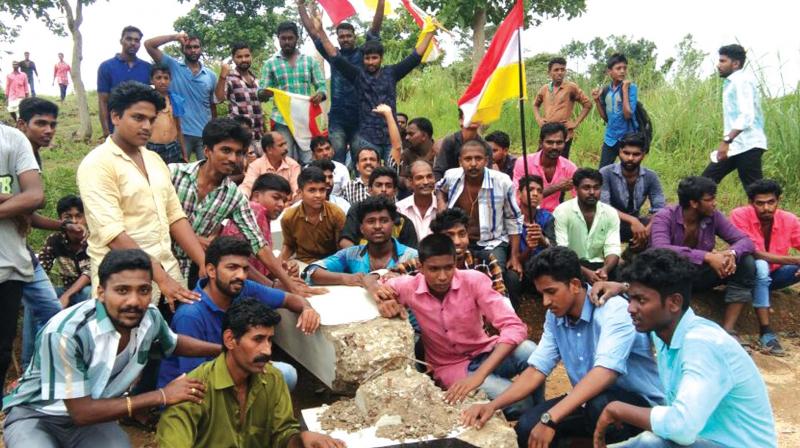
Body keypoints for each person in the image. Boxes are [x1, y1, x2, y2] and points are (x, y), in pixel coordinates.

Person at [2, 249, 222, 447]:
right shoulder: (67, 332)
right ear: (100, 292)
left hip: (93, 417)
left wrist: (222, 350)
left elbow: (172, 343)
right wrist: (162, 395)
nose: (134, 301)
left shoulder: (150, 318)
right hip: (37, 415)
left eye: (143, 290)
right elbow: (81, 412)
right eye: (122, 290)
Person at [463, 247, 664, 447]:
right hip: (587, 401)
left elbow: (605, 373)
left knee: (600, 405)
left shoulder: (613, 310)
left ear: (575, 285)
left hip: (639, 409)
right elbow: (537, 370)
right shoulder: (555, 316)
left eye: (551, 292)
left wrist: (550, 418)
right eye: (541, 293)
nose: (545, 302)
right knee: (526, 429)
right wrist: (492, 406)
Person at [590, 249, 777, 448]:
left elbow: (682, 428)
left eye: (640, 300)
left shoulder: (702, 344)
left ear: (674, 302)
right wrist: (622, 287)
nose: (630, 308)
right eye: (630, 298)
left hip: (730, 444)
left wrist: (617, 409)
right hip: (705, 440)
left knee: (651, 443)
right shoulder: (665, 332)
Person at [375, 234, 538, 419]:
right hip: (451, 367)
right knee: (520, 402)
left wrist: (480, 376)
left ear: (455, 263)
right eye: (434, 269)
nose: (442, 276)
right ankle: (529, 418)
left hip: (485, 352)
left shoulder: (474, 281)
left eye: (448, 268)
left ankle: (539, 417)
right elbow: (376, 282)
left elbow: (514, 326)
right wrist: (382, 298)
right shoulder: (409, 287)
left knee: (532, 352)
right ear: (420, 267)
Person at [77, 81, 206, 311]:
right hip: (124, 284)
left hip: (169, 274)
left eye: (151, 119)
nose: (147, 126)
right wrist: (160, 277)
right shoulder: (97, 164)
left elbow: (175, 216)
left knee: (171, 343)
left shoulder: (155, 160)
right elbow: (113, 233)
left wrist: (204, 262)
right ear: (115, 116)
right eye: (138, 118)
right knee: (127, 346)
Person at [156, 298, 344, 448]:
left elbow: (283, 434)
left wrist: (301, 440)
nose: (267, 351)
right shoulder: (192, 390)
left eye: (270, 340)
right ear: (230, 340)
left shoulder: (272, 378)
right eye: (258, 339)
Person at [158, 237, 321, 392]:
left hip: (232, 369)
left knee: (286, 374)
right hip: (193, 392)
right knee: (276, 375)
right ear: (211, 271)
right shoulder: (190, 315)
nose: (241, 275)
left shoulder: (242, 288)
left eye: (244, 269)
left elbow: (289, 299)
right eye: (232, 267)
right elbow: (196, 379)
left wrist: (307, 309)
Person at [170, 118, 308, 296]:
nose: (233, 158)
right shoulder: (173, 174)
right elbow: (152, 220)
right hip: (157, 263)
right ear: (207, 150)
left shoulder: (233, 196)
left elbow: (258, 244)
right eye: (226, 150)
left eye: (240, 152)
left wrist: (290, 285)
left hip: (196, 272)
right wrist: (195, 239)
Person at [311, 12, 436, 163]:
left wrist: (430, 32)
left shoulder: (392, 73)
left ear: (381, 59)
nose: (370, 62)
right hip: (368, 139)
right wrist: (321, 31)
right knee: (369, 175)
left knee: (392, 174)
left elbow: (415, 57)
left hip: (391, 137)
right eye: (367, 58)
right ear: (363, 59)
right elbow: (335, 58)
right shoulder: (357, 76)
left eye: (374, 58)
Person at [649, 176, 757, 336]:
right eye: (709, 199)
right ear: (693, 203)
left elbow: (745, 240)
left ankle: (728, 330)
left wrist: (731, 253)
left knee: (746, 262)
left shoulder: (714, 216)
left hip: (697, 274)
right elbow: (660, 249)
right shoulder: (664, 217)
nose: (715, 203)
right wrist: (706, 256)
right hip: (668, 276)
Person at [299, 0, 385, 166]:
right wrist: (300, 6)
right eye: (341, 37)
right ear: (337, 39)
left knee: (360, 157)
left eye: (348, 36)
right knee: (336, 157)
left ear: (355, 37)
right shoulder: (333, 55)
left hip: (361, 117)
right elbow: (312, 32)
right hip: (338, 117)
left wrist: (381, 2)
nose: (345, 39)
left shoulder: (364, 54)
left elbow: (375, 27)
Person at [0, 123, 45, 401]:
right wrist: (13, 204)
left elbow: (35, 196)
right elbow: (24, 200)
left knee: (2, 349)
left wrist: (19, 202)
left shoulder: (11, 138)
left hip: (8, 266)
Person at [436, 139, 524, 278]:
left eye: (478, 158)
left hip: (492, 242)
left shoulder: (502, 182)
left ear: (486, 160)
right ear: (460, 161)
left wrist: (514, 256)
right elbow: (439, 188)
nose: (473, 164)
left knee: (494, 276)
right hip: (458, 241)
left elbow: (513, 219)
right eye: (468, 159)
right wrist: (441, 204)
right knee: (450, 275)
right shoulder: (452, 176)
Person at [730, 179, 798, 355]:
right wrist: (796, 261)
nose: (766, 208)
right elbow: (754, 253)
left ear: (778, 201)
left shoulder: (789, 219)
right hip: (748, 273)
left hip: (775, 274)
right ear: (751, 203)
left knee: (765, 270)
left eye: (771, 202)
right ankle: (766, 331)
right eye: (760, 203)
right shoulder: (739, 215)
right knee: (760, 266)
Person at [391, 208, 508, 296]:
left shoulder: (484, 261)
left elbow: (501, 299)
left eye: (462, 234)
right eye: (449, 235)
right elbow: (388, 278)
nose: (457, 242)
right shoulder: (424, 264)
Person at [306, 196, 418, 286]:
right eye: (371, 221)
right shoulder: (351, 255)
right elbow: (311, 271)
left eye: (384, 221)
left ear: (393, 225)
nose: (378, 226)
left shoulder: (412, 257)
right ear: (362, 229)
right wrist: (346, 278)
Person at [702, 44, 767, 192]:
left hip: (748, 145)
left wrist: (726, 140)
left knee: (757, 194)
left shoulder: (741, 81)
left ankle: (775, 216)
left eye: (723, 61)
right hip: (736, 146)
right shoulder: (731, 83)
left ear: (736, 64)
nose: (718, 65)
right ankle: (699, 215)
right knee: (703, 184)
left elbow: (747, 115)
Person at [259, 21, 326, 164]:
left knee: (308, 158)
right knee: (285, 159)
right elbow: (261, 92)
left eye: (290, 38)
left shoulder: (309, 61)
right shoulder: (270, 63)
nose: (287, 42)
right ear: (278, 39)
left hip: (304, 118)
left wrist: (320, 95)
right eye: (283, 38)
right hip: (281, 119)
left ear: (297, 38)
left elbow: (322, 86)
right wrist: (264, 94)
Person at [145, 32, 218, 162]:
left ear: (201, 49)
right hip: (181, 134)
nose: (193, 50)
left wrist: (213, 129)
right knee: (179, 172)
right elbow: (149, 45)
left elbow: (212, 105)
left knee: (206, 171)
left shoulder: (210, 75)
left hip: (204, 133)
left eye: (196, 47)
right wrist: (174, 37)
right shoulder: (173, 66)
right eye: (189, 47)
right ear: (183, 49)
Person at [553, 168, 622, 284]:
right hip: (572, 264)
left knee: (623, 268)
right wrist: (586, 272)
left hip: (600, 266)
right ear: (575, 189)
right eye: (586, 188)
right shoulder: (562, 211)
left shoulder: (610, 213)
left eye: (596, 188)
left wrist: (605, 270)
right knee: (559, 269)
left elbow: (613, 248)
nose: (592, 192)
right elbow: (561, 250)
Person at [221, 173, 292, 281]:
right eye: (276, 197)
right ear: (256, 196)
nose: (281, 204)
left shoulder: (262, 216)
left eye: (284, 201)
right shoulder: (255, 209)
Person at [600, 132, 665, 250]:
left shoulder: (651, 176)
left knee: (661, 228)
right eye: (626, 153)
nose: (630, 158)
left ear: (643, 155)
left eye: (636, 154)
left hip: (636, 225)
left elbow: (659, 208)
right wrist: (632, 220)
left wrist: (647, 229)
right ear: (619, 152)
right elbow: (605, 207)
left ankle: (638, 258)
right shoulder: (606, 173)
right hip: (608, 223)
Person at [339, 166, 418, 249]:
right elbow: (345, 241)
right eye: (379, 185)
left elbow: (411, 253)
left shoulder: (403, 222)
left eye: (388, 186)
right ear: (369, 190)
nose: (383, 189)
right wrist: (361, 260)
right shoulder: (357, 211)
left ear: (395, 191)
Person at [280, 167, 346, 264]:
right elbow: (289, 245)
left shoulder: (336, 214)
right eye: (312, 190)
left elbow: (341, 249)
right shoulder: (289, 217)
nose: (318, 195)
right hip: (304, 263)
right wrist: (279, 265)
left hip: (331, 263)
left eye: (322, 190)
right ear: (300, 193)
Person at [97, 26, 152, 139]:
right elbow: (103, 101)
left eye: (137, 40)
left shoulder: (148, 68)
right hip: (116, 130)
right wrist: (106, 132)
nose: (133, 43)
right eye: (129, 39)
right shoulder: (106, 67)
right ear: (121, 41)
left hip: (141, 131)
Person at [533, 57, 592, 159]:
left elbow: (587, 105)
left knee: (561, 162)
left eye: (562, 69)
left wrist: (575, 123)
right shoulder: (545, 89)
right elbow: (535, 104)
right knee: (540, 159)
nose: (560, 72)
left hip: (564, 134)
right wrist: (539, 118)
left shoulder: (570, 87)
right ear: (549, 73)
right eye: (556, 70)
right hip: (547, 132)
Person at [37, 195, 91, 307]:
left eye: (79, 216)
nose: (74, 221)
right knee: (37, 296)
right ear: (60, 220)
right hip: (66, 290)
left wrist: (67, 295)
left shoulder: (94, 240)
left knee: (88, 292)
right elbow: (41, 268)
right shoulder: (55, 240)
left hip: (91, 291)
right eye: (68, 217)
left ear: (86, 218)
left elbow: (89, 273)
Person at [512, 122, 577, 212]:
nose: (554, 147)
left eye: (559, 143)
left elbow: (579, 198)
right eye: (549, 142)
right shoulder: (524, 163)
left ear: (565, 143)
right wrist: (556, 187)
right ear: (540, 143)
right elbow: (518, 198)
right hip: (526, 214)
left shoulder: (570, 167)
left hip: (553, 215)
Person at [592, 53, 638, 168]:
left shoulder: (631, 88)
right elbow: (606, 118)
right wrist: (597, 101)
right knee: (602, 171)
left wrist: (625, 90)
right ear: (609, 72)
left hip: (628, 138)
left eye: (624, 68)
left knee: (628, 171)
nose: (622, 71)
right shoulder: (606, 90)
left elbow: (628, 115)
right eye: (618, 68)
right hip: (610, 138)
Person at [216, 42, 265, 141]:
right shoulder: (230, 78)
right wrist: (222, 77)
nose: (244, 60)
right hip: (239, 134)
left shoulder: (256, 80)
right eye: (239, 57)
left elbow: (260, 108)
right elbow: (219, 98)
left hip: (258, 134)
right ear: (233, 58)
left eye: (247, 56)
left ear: (251, 56)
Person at [240, 131, 302, 200]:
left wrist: (294, 202)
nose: (286, 148)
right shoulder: (255, 166)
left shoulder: (293, 165)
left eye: (285, 144)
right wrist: (243, 199)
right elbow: (247, 186)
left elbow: (297, 191)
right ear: (269, 149)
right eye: (281, 145)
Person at [147, 63, 188, 164]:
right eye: (158, 78)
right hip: (152, 148)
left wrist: (185, 154)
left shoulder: (175, 100)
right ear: (152, 80)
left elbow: (178, 128)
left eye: (166, 78)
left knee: (171, 176)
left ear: (170, 80)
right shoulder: (147, 101)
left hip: (172, 147)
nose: (162, 81)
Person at [433, 108, 490, 180]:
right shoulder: (450, 142)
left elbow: (488, 173)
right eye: (469, 115)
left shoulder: (486, 147)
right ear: (461, 121)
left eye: (477, 115)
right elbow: (439, 170)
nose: (473, 118)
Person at [395, 160, 437, 240]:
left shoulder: (443, 207)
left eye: (429, 176)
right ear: (410, 182)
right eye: (420, 178)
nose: (426, 182)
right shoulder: (399, 209)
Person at [396, 117, 435, 189]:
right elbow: (401, 177)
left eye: (411, 134)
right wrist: (405, 181)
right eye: (406, 134)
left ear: (424, 136)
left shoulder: (441, 150)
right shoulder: (406, 154)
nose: (406, 137)